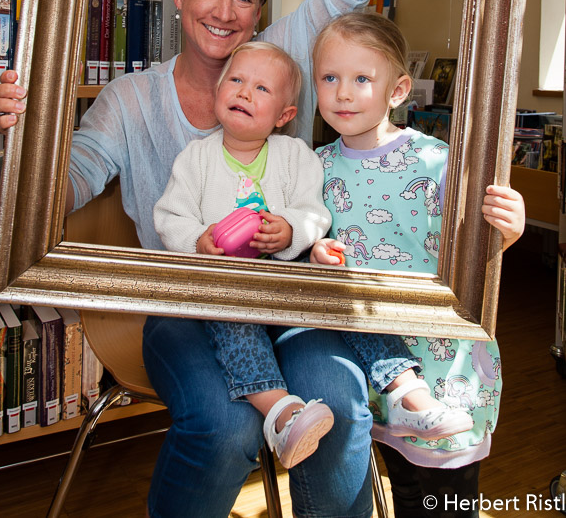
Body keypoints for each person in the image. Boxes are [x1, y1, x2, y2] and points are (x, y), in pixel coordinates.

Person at [0, 0, 387, 518]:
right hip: (179, 306)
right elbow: (67, 184)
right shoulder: (130, 100)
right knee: (224, 423)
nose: (226, 12)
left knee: (341, 403)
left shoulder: (284, 52)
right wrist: (28, 143)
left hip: (285, 296)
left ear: (263, 14)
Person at [155, 39, 473, 469]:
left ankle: (404, 390)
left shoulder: (296, 156)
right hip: (228, 289)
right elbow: (170, 216)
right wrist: (197, 239)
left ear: (285, 116)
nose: (245, 92)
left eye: (262, 89)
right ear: (217, 92)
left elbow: (314, 211)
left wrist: (289, 230)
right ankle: (282, 414)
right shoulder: (194, 160)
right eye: (236, 80)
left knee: (347, 296)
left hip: (290, 288)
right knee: (234, 324)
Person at [309, 10, 525, 518]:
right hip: (372, 364)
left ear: (398, 90)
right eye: (330, 78)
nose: (343, 93)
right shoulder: (313, 167)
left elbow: (477, 247)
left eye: (362, 79)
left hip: (442, 362)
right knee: (401, 484)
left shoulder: (438, 162)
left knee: (443, 500)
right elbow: (309, 238)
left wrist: (509, 230)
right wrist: (314, 249)